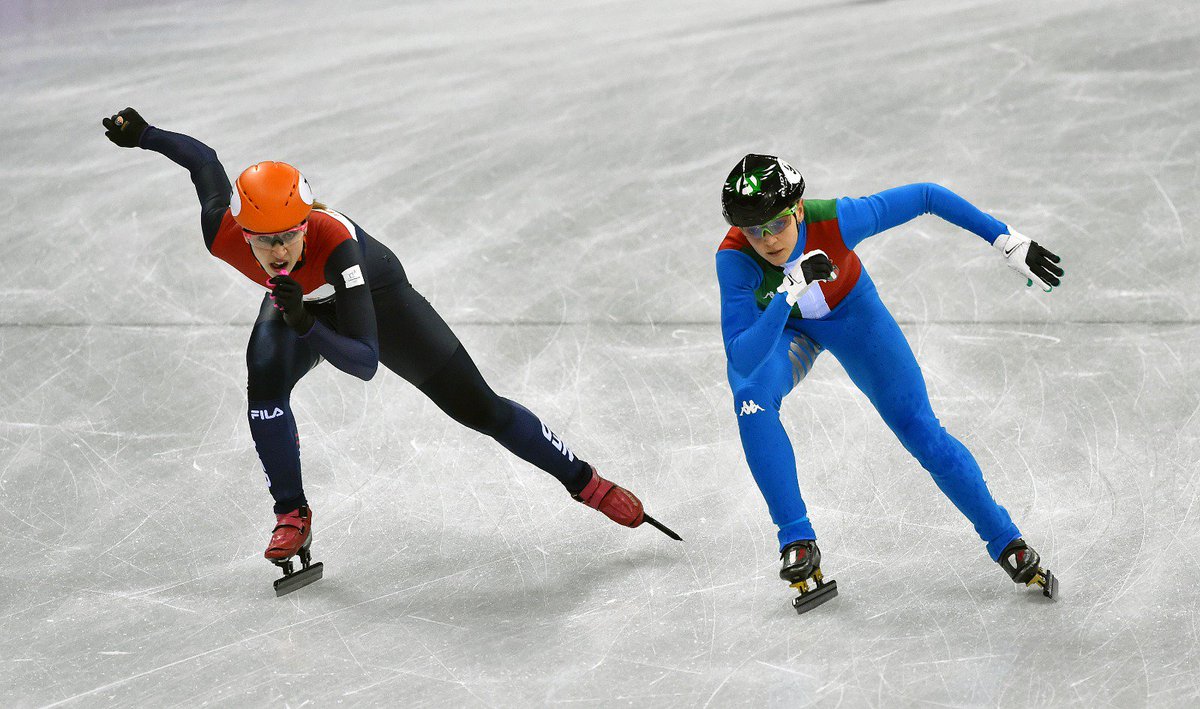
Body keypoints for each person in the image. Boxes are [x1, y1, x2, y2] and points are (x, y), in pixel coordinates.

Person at [101, 107, 679, 594]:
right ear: (242, 232)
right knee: (263, 384)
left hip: (377, 301)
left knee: (479, 409)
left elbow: (364, 361)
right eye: (262, 241)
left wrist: (305, 320)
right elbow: (205, 163)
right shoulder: (224, 233)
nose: (276, 251)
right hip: (299, 305)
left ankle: (586, 482)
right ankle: (291, 513)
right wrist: (146, 135)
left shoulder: (339, 249)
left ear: (307, 224)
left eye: (288, 236)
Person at [716, 154, 1061, 613]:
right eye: (753, 231)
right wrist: (785, 293)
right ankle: (796, 539)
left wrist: (1005, 239)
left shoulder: (836, 220)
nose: (767, 240)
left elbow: (925, 196)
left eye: (776, 224)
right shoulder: (735, 258)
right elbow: (742, 354)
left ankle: (1005, 539)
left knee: (919, 429)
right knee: (751, 399)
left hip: (855, 318)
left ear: (798, 208)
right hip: (785, 330)